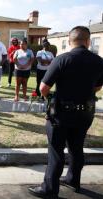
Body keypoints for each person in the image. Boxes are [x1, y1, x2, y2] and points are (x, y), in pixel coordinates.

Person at [28, 26, 103, 198]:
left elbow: (43, 88)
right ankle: (72, 180)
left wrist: (51, 97)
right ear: (88, 41)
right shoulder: (99, 61)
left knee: (56, 150)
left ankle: (50, 189)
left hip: (61, 114)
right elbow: (98, 86)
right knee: (76, 148)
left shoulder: (62, 59)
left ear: (70, 41)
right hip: (85, 113)